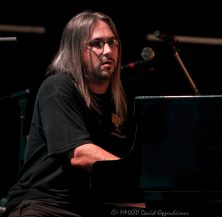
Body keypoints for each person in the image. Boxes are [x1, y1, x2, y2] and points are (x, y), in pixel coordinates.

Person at [2, 10, 134, 217]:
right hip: (44, 206)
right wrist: (136, 177)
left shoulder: (118, 103)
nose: (108, 51)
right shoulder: (59, 87)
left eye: (112, 42)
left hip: (89, 208)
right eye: (97, 44)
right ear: (76, 49)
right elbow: (81, 155)